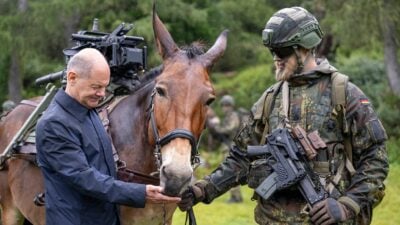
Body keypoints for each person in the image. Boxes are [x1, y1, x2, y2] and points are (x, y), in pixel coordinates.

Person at [178, 6, 388, 225]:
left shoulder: (344, 94)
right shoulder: (269, 100)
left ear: (305, 48)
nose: (276, 58)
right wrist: (202, 190)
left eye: (283, 50)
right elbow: (241, 158)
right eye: (272, 51)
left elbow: (376, 158)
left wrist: (348, 204)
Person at [36, 48, 180, 225]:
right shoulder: (54, 124)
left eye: (104, 87)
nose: (102, 94)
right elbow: (84, 179)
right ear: (72, 78)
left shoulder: (88, 110)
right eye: (96, 87)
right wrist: (140, 192)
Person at [207, 95, 243, 203]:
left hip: (230, 146)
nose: (224, 108)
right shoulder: (228, 117)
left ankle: (235, 197)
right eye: (223, 106)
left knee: (230, 172)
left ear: (231, 106)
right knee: (230, 171)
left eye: (226, 106)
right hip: (227, 146)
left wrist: (218, 128)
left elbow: (231, 128)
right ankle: (236, 196)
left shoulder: (233, 116)